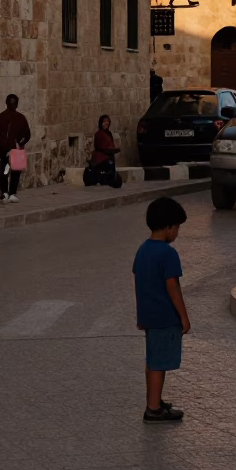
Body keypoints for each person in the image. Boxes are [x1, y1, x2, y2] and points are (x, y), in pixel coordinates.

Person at [132, 197, 190, 423]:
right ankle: (153, 409)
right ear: (168, 226)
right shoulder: (167, 253)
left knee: (153, 360)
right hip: (165, 317)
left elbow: (139, 282)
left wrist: (141, 314)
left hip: (150, 316)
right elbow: (172, 286)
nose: (177, 232)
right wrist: (184, 317)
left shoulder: (142, 250)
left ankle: (154, 401)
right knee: (159, 363)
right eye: (177, 227)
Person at [0, 94, 31, 203]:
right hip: (4, 151)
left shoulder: (21, 118)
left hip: (16, 151)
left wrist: (20, 144)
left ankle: (12, 192)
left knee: (16, 172)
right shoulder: (0, 117)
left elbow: (27, 134)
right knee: (4, 171)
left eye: (14, 103)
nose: (12, 105)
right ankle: (4, 193)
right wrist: (1, 144)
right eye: (10, 103)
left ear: (16, 104)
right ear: (6, 103)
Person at [83, 115, 122, 188]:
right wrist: (113, 150)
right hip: (102, 157)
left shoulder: (109, 133)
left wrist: (113, 150)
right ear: (100, 123)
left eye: (107, 121)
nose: (105, 123)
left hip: (109, 155)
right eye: (104, 122)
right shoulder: (98, 134)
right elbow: (99, 147)